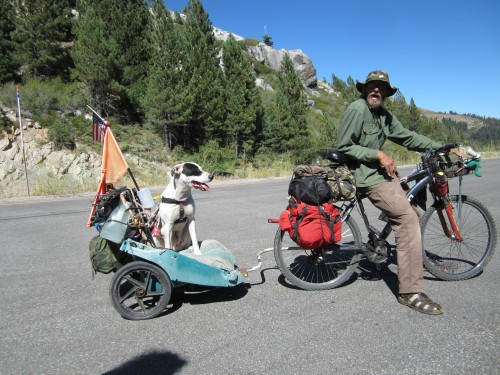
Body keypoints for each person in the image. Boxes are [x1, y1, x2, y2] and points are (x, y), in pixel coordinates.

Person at [337, 70, 443, 315]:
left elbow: (407, 137)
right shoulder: (357, 109)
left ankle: (413, 261)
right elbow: (344, 145)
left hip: (382, 175)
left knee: (413, 212)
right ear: (365, 89)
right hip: (365, 177)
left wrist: (441, 148)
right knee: (406, 220)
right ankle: (410, 292)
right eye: (373, 86)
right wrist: (378, 154)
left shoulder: (383, 116)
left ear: (386, 93)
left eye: (382, 88)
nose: (377, 91)